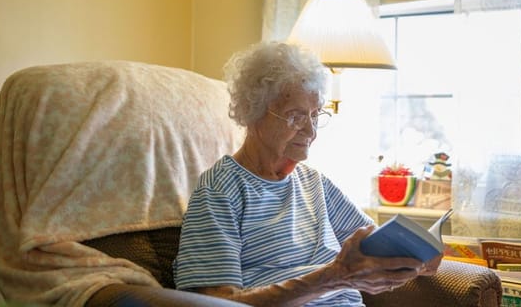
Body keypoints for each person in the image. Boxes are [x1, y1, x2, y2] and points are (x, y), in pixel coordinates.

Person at [174, 42, 441, 306]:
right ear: (252, 113)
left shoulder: (314, 183)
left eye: (315, 115)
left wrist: (418, 255)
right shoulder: (220, 190)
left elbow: (372, 247)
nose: (311, 132)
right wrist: (333, 277)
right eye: (295, 117)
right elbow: (217, 302)